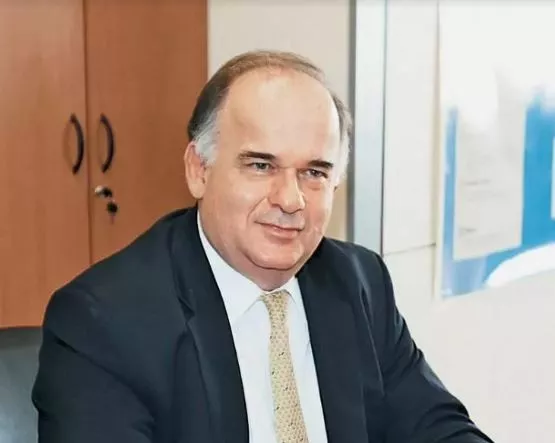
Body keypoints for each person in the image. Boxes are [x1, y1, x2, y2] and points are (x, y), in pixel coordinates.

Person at [32, 50, 493, 443]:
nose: (290, 200)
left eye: (314, 173)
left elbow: (437, 427)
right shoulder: (103, 321)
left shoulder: (359, 282)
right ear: (199, 170)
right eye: (260, 166)